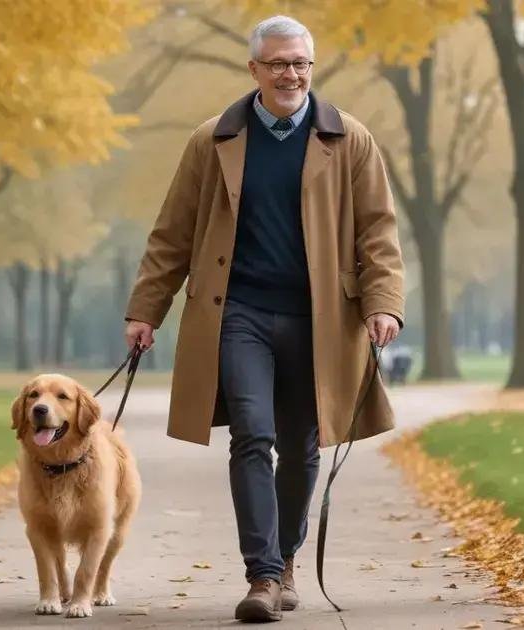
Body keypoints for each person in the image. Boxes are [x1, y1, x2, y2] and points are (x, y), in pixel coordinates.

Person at [123, 15, 405, 623]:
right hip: (238, 312)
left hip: (320, 318)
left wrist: (384, 303)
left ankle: (286, 558)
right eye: (277, 63)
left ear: (312, 67)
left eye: (301, 62)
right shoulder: (213, 139)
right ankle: (262, 574)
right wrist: (147, 310)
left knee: (304, 443)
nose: (291, 74)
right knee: (253, 433)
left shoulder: (347, 138)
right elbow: (171, 234)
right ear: (253, 70)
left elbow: (378, 230)